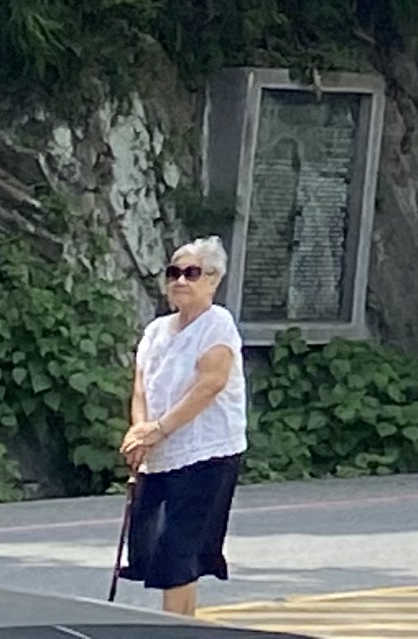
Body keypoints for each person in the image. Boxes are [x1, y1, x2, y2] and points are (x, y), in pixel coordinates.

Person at [120, 239, 246, 616]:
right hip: (160, 457)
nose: (180, 281)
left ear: (212, 280)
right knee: (153, 549)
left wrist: (159, 429)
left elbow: (210, 385)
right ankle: (186, 626)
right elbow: (142, 384)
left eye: (191, 273)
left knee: (177, 552)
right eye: (174, 273)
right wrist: (139, 430)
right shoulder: (157, 330)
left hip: (206, 453)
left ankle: (174, 629)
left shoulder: (217, 324)